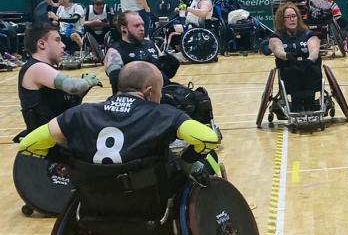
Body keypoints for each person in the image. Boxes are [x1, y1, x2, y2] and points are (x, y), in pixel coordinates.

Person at [18, 62, 218, 181]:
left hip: (94, 199)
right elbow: (209, 138)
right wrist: (187, 160)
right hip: (148, 198)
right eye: (159, 91)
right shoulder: (164, 115)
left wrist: (69, 161)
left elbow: (27, 146)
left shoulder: (79, 114)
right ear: (149, 92)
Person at [17, 24, 101, 139]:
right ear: (41, 44)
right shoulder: (36, 68)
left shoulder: (47, 70)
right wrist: (87, 81)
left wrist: (83, 90)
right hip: (46, 144)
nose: (63, 45)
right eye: (58, 41)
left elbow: (65, 103)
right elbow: (73, 87)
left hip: (57, 139)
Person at [104, 11, 179, 92]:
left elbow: (166, 73)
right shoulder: (115, 51)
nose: (142, 28)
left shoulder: (150, 43)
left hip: (162, 92)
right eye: (136, 26)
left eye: (142, 25)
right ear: (123, 28)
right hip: (138, 99)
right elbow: (116, 85)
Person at [269, 4, 322, 112]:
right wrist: (287, 56)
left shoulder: (308, 34)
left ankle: (310, 103)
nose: (292, 19)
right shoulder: (277, 36)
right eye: (288, 17)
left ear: (298, 17)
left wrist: (309, 59)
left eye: (294, 16)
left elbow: (314, 50)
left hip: (308, 66)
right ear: (281, 20)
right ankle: (296, 105)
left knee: (311, 70)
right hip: (289, 68)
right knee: (292, 72)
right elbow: (277, 49)